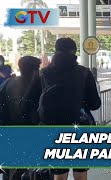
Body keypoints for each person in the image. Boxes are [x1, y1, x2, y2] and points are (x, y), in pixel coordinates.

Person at [30, 38, 101, 180]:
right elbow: (95, 104)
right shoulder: (84, 73)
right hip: (80, 129)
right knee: (80, 173)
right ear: (75, 51)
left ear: (56, 50)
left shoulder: (43, 73)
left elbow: (29, 103)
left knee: (59, 174)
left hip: (53, 130)